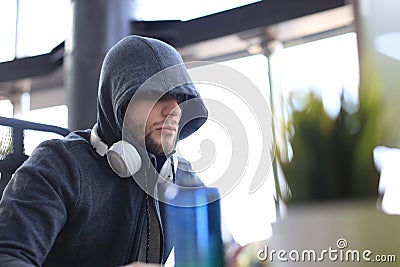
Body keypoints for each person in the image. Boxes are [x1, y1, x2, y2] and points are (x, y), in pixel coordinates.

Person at [0, 35, 208, 266]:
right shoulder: (59, 165)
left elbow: (221, 252)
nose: (174, 109)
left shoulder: (184, 179)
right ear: (118, 101)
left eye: (180, 97)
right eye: (154, 94)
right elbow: (8, 258)